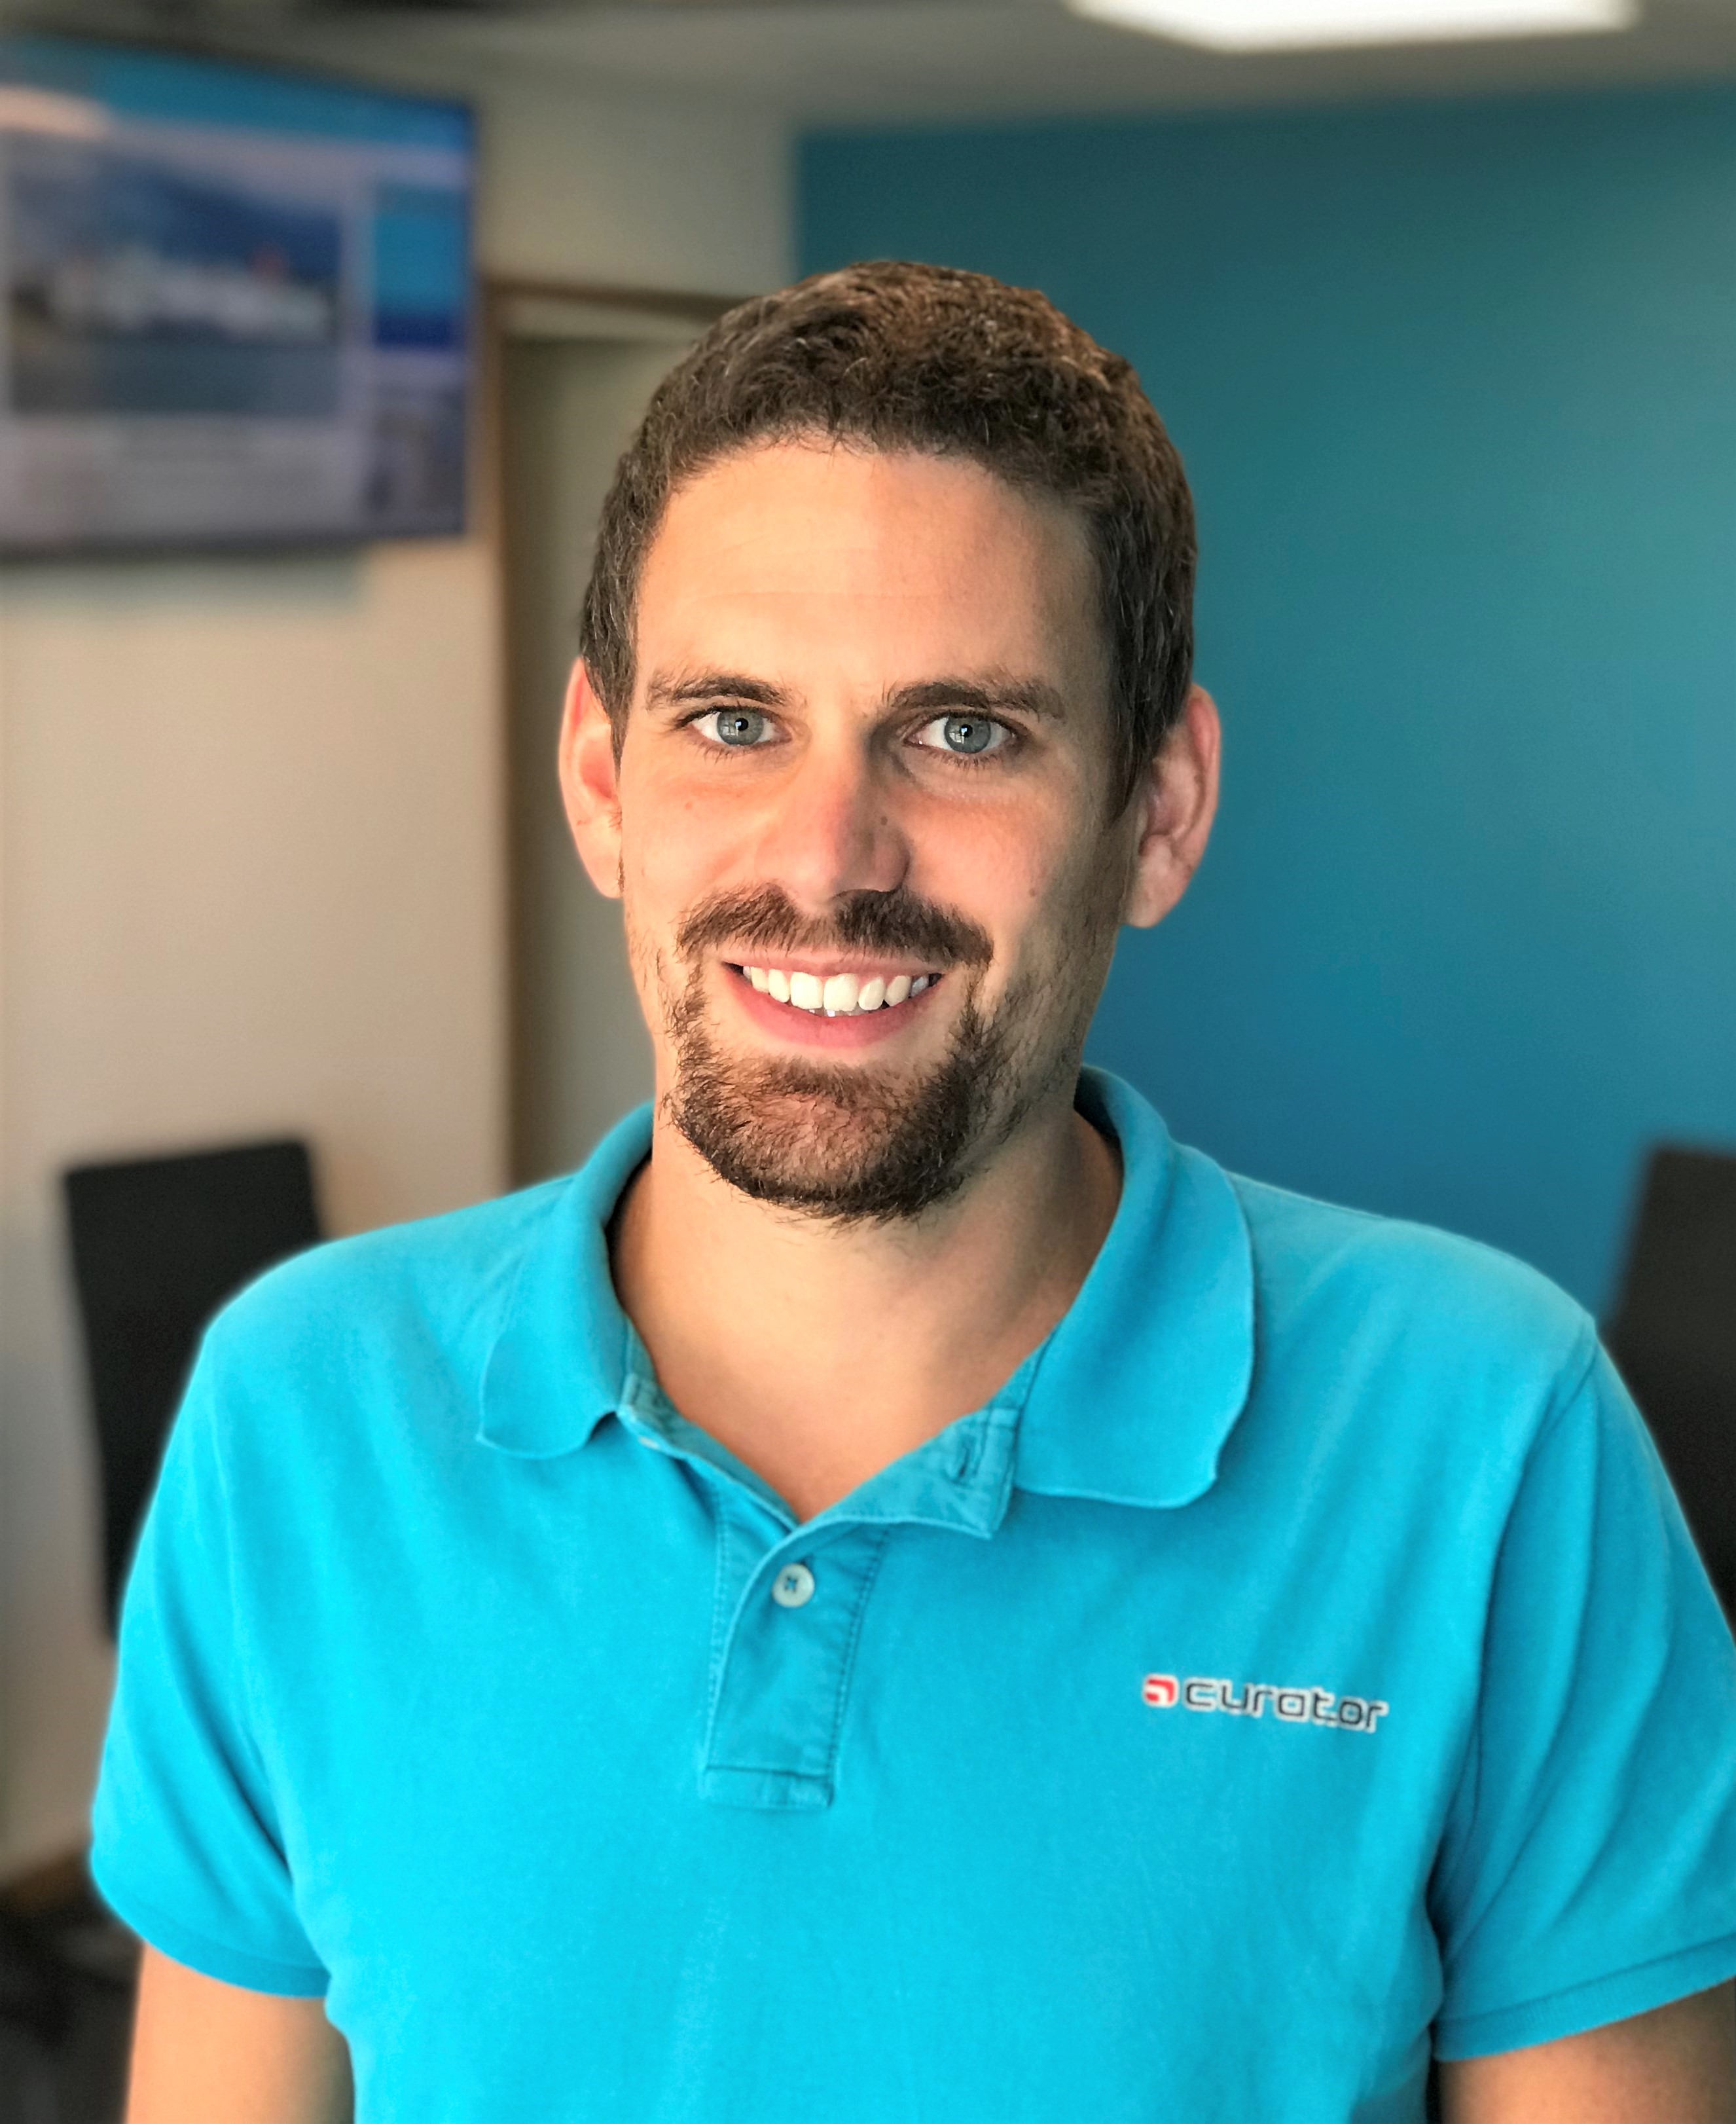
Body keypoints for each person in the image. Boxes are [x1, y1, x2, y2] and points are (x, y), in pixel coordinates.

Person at [98, 262, 1736, 2124]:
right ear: (601, 779)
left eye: (964, 732)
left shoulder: (1481, 1433)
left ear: (1159, 810)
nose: (828, 859)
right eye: (734, 721)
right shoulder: (303, 1412)